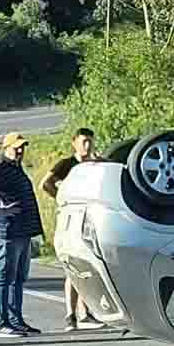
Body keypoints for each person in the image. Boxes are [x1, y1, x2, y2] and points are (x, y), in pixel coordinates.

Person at [39, 127, 105, 332]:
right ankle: (71, 315)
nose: (88, 145)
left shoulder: (95, 165)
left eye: (90, 141)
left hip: (90, 221)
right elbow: (45, 183)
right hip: (71, 221)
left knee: (88, 267)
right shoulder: (66, 164)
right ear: (74, 142)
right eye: (84, 141)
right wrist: (60, 198)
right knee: (72, 268)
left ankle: (86, 313)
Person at [0, 133, 43, 338]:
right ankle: (1, 323)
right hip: (6, 232)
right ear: (6, 147)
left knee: (18, 278)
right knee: (3, 277)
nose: (20, 151)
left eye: (22, 147)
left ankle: (15, 320)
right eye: (16, 147)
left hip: (22, 231)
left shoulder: (15, 167)